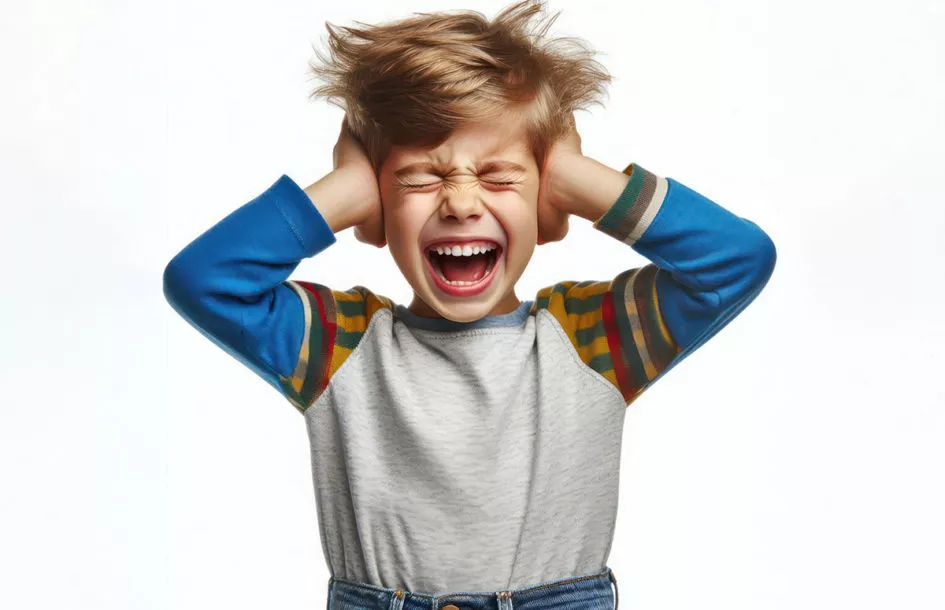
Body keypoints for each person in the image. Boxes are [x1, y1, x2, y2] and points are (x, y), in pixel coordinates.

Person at [162, 1, 777, 608]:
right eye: (420, 178)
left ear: (547, 205)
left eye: (500, 177)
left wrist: (572, 174)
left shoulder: (593, 339)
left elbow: (735, 260)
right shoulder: (337, 345)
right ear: (376, 212)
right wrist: (346, 190)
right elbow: (204, 280)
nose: (460, 202)